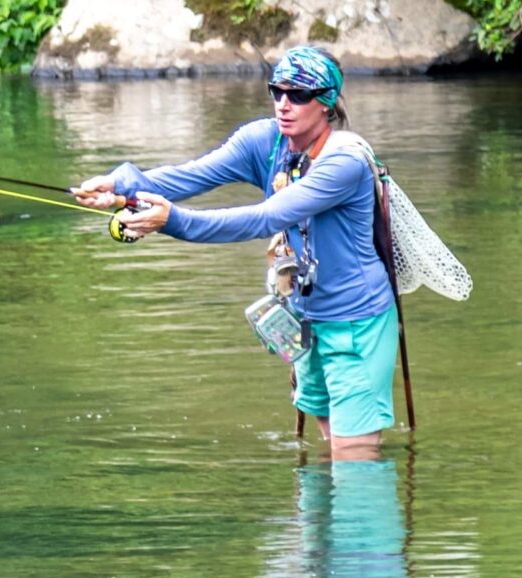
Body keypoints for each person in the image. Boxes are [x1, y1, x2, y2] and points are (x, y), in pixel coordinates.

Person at [73, 46, 402, 454]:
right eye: (276, 91)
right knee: (328, 446)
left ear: (327, 101)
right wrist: (120, 187)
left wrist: (172, 221)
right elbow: (191, 176)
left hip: (356, 322)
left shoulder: (344, 162)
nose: (284, 104)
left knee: (355, 459)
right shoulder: (264, 142)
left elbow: (264, 218)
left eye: (298, 95)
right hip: (305, 319)